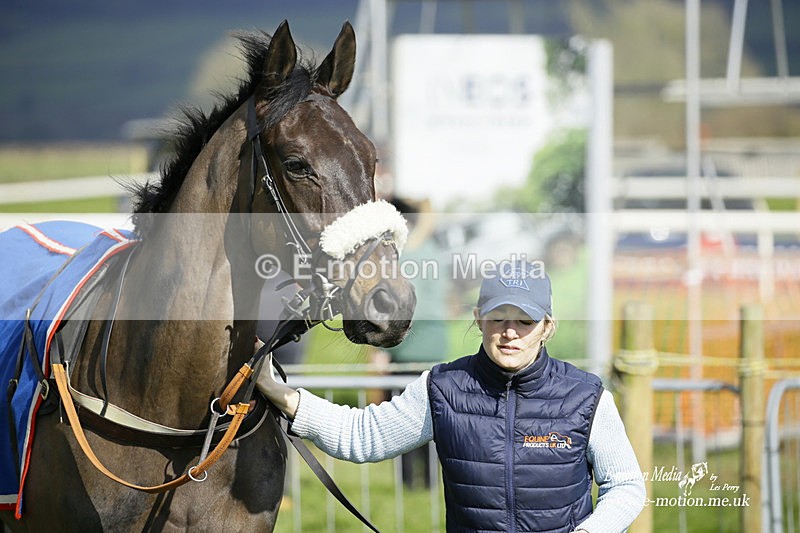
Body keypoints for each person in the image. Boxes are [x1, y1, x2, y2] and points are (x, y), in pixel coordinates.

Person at [257, 260, 645, 532]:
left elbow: (626, 486)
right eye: (499, 317)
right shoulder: (442, 388)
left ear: (547, 326)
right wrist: (276, 389)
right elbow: (363, 436)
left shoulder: (587, 396)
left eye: (525, 321)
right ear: (478, 318)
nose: (510, 332)